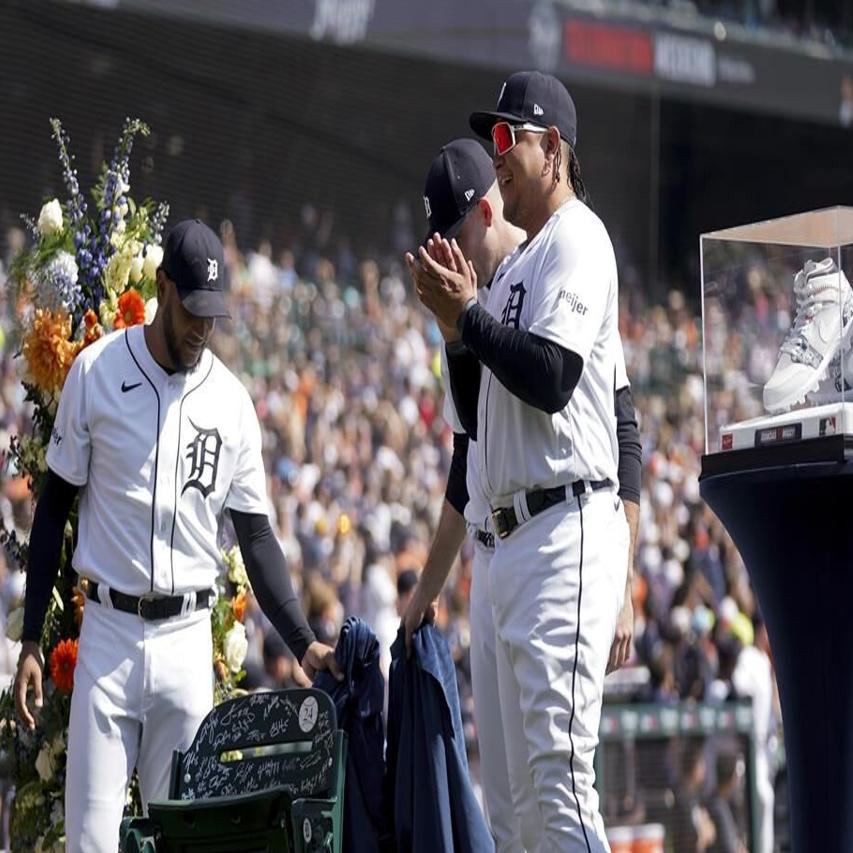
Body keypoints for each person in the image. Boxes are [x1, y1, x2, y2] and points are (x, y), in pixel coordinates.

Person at [13, 219, 341, 852]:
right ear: (162, 287)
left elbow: (258, 538)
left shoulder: (232, 401)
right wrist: (31, 637)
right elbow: (53, 506)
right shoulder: (97, 370)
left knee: (185, 841)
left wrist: (302, 642)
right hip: (107, 635)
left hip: (188, 638)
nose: (201, 328)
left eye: (212, 315)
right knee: (90, 841)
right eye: (192, 309)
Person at [411, 71, 633, 850]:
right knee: (510, 813)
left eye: (512, 137)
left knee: (557, 783)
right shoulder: (512, 269)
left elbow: (551, 377)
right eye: (493, 137)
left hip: (560, 526)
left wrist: (468, 316)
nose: (496, 151)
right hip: (506, 544)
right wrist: (453, 332)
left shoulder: (578, 236)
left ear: (555, 149)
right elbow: (473, 422)